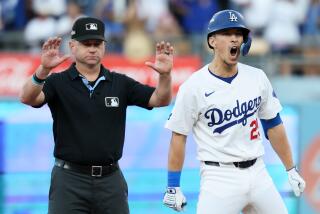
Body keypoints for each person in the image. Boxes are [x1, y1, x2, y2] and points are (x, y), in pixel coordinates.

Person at [19, 16, 173, 214]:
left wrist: (166, 75)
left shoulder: (120, 83)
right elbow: (27, 98)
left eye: (97, 43)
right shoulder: (58, 82)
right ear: (72, 46)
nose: (92, 48)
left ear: (104, 46)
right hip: (69, 180)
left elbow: (160, 99)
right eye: (86, 44)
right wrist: (43, 70)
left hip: (110, 181)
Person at [162, 9, 306, 213]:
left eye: (238, 34)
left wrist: (290, 168)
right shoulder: (194, 86)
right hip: (219, 177)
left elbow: (273, 124)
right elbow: (178, 136)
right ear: (212, 41)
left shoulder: (257, 77)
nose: (235, 39)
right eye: (227, 33)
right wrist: (173, 185)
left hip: (258, 172)